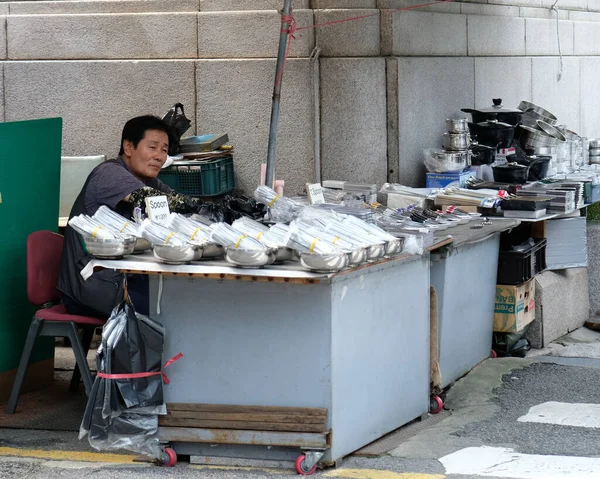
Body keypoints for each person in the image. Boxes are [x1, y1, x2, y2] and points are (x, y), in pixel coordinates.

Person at [58, 115, 215, 318]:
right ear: (128, 147)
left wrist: (218, 214)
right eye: (153, 147)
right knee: (173, 306)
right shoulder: (109, 173)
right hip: (92, 283)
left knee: (186, 294)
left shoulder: (149, 181)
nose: (160, 156)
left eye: (165, 150)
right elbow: (152, 200)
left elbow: (181, 206)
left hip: (121, 277)